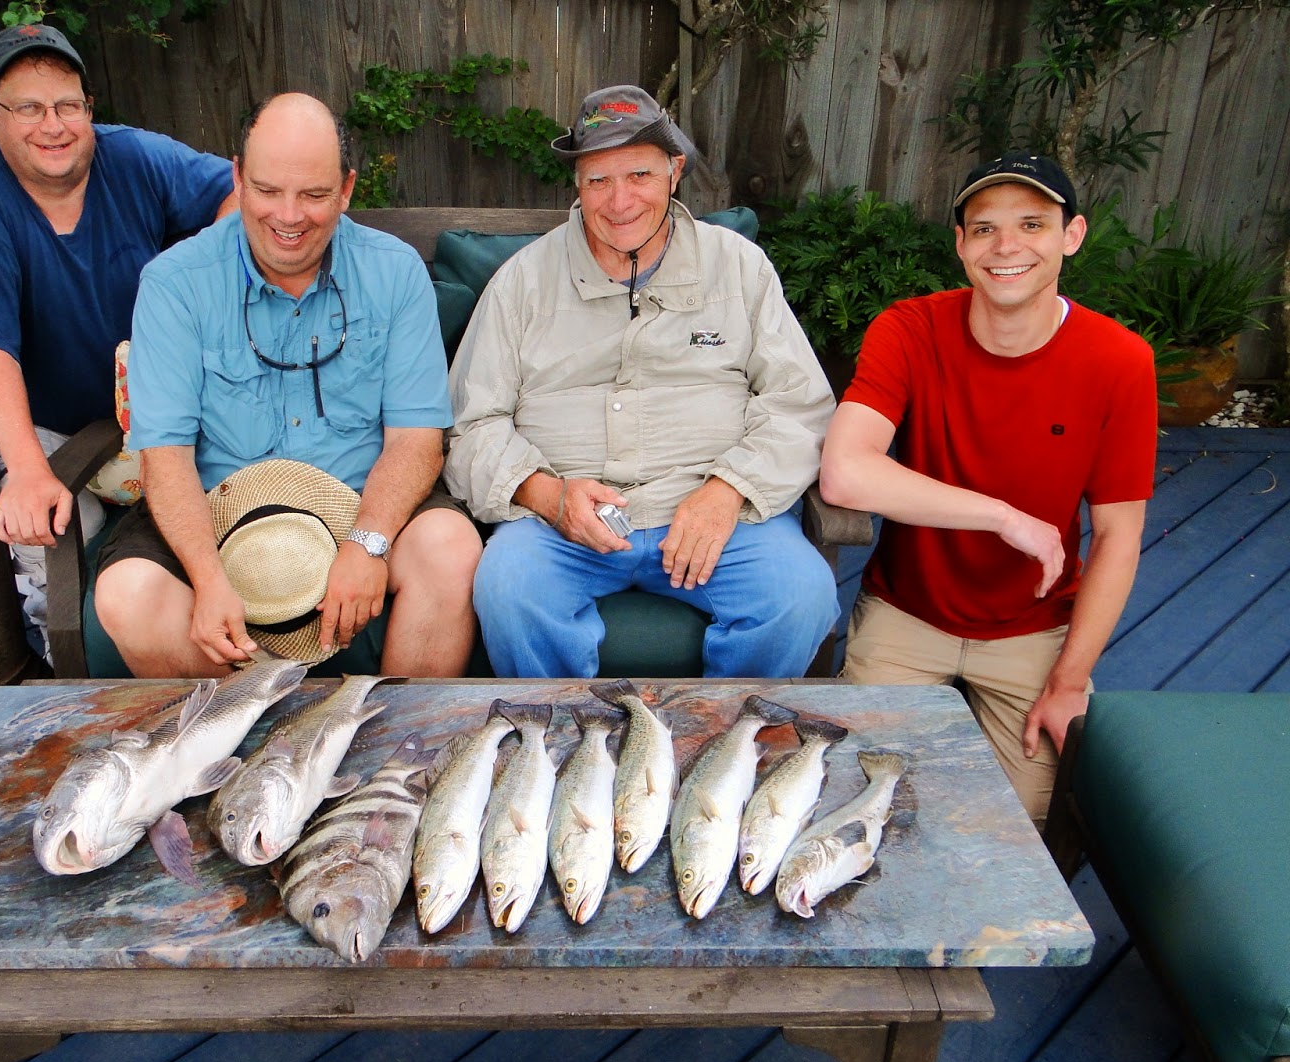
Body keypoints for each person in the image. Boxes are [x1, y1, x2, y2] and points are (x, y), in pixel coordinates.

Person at [445, 84, 839, 679]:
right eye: (598, 180)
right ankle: (561, 747)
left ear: (675, 172)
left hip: (710, 511)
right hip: (566, 523)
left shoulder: (738, 266)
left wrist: (726, 490)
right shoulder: (522, 281)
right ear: (576, 183)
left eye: (639, 175)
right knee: (509, 588)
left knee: (800, 596)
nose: (619, 200)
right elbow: (471, 423)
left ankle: (718, 741)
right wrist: (548, 497)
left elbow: (800, 406)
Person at [819, 152, 1156, 827]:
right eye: (984, 228)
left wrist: (1067, 681)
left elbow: (1120, 535)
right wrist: (1002, 517)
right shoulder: (910, 328)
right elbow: (845, 472)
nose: (1006, 247)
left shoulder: (1119, 360)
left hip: (1034, 627)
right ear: (961, 245)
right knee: (847, 806)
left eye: (1032, 224)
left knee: (1016, 838)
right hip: (907, 612)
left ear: (1072, 235)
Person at [93, 93, 481, 678]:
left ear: (347, 189)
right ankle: (251, 748)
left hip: (361, 505)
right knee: (127, 595)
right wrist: (208, 577)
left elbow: (416, 440)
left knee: (452, 548)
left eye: (314, 195)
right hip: (217, 516)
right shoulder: (173, 282)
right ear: (238, 179)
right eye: (269, 190)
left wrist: (369, 542)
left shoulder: (395, 271)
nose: (289, 216)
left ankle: (399, 755)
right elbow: (165, 456)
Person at [0, 23, 237, 658]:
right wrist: (24, 468)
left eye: (67, 104)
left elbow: (241, 192)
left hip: (165, 409)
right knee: (54, 532)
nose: (54, 124)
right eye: (28, 107)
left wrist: (209, 287)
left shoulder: (132, 154)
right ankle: (64, 671)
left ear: (88, 109)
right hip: (51, 424)